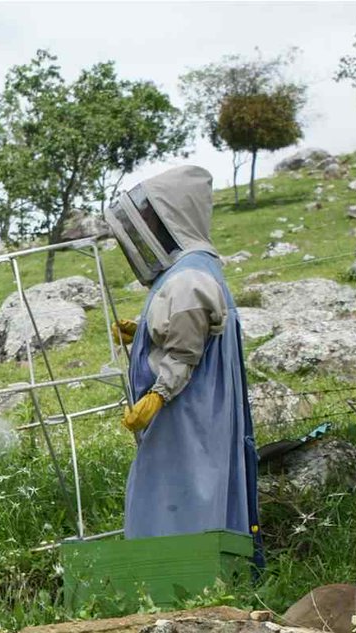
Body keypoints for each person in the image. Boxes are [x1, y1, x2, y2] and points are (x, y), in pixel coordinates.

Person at [103, 165, 260, 556]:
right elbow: (184, 328)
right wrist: (142, 330)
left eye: (153, 219)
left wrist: (157, 395)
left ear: (174, 218)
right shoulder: (193, 270)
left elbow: (184, 351)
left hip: (186, 410)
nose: (148, 229)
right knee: (179, 486)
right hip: (193, 408)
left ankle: (181, 575)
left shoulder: (189, 278)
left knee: (182, 490)